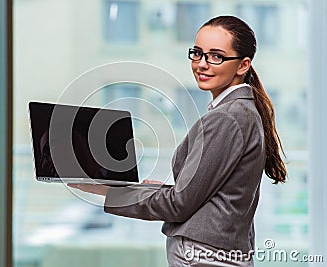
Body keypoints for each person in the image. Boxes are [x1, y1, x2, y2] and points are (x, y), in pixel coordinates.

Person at [69, 15, 287, 267]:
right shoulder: (240, 113)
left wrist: (110, 192)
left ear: (243, 65)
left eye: (216, 56)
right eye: (197, 53)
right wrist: (125, 188)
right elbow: (201, 196)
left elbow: (178, 205)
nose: (202, 64)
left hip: (204, 256)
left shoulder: (226, 118)